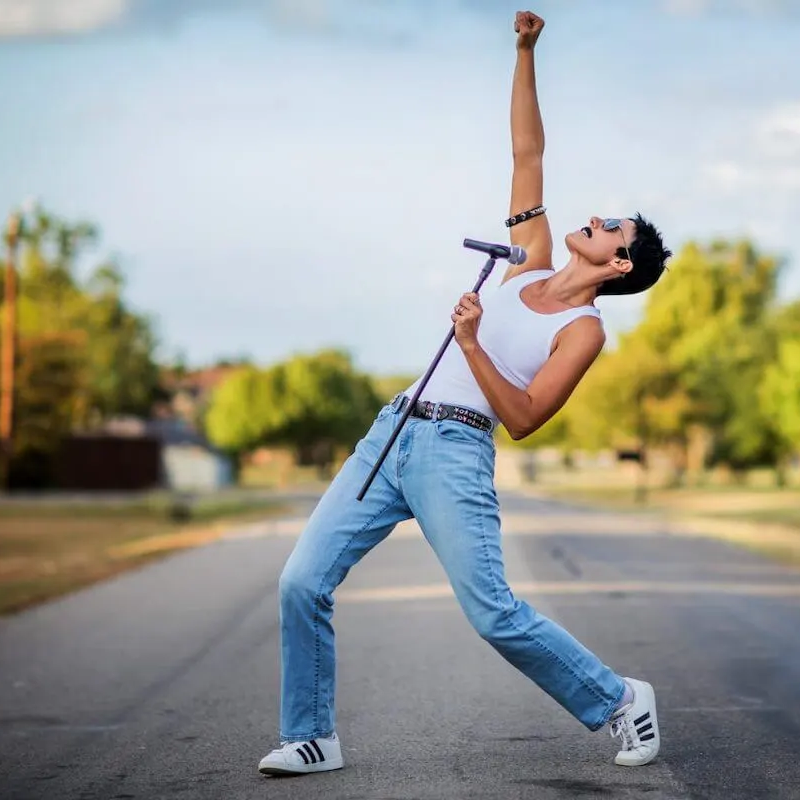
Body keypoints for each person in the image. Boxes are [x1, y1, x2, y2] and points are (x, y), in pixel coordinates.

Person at [258, 9, 673, 778]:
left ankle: (620, 699)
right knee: (301, 581)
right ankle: (311, 734)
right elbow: (527, 150)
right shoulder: (529, 259)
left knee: (493, 614)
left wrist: (475, 342)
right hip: (393, 432)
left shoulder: (581, 331)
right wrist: (524, 52)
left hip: (455, 448)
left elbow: (520, 419)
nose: (595, 218)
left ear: (620, 265)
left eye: (611, 226)